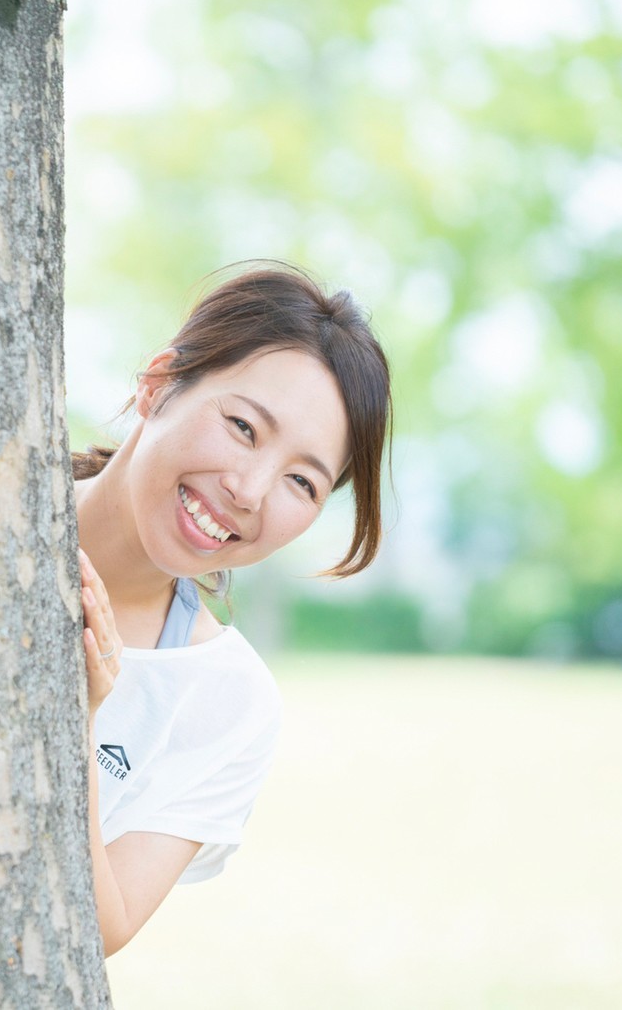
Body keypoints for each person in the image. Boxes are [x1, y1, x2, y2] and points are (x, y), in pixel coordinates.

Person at [72, 261, 392, 956]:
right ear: (159, 384)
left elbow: (100, 925)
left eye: (301, 482)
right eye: (244, 427)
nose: (249, 491)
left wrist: (75, 715)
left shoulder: (226, 700)